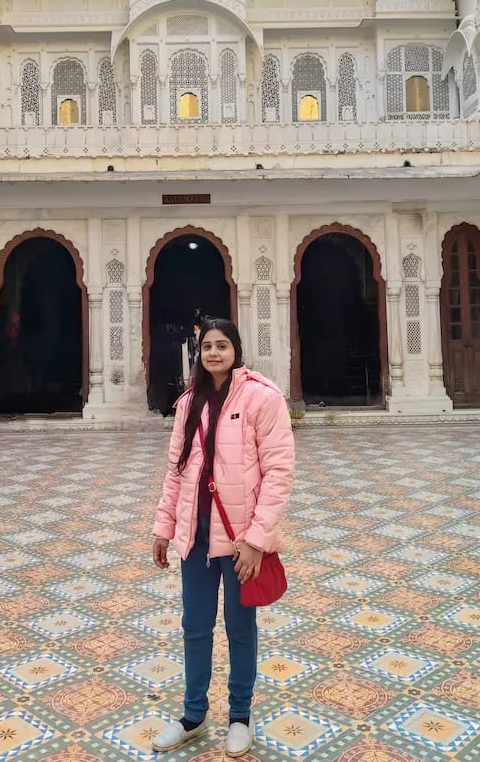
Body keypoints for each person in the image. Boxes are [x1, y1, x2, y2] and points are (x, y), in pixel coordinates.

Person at [152, 318, 295, 758]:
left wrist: (256, 540)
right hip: (194, 536)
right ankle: (193, 715)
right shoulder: (188, 401)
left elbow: (278, 472)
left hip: (239, 541)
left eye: (222, 345)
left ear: (236, 350)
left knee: (239, 627)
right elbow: (176, 471)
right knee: (195, 627)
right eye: (207, 347)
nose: (214, 353)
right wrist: (164, 527)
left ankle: (239, 717)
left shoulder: (262, 397)